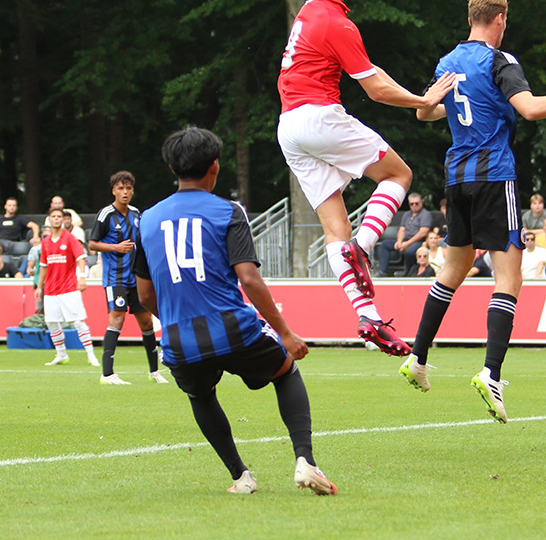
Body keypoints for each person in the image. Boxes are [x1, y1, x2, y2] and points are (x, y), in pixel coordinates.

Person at [400, 0, 546, 423]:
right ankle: (491, 373)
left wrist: (464, 109)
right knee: (509, 278)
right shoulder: (501, 61)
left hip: (456, 178)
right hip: (495, 176)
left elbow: (424, 113)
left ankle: (417, 358)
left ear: (469, 19)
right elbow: (531, 109)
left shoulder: (449, 62)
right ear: (499, 18)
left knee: (453, 271)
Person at [276, 0, 455, 356]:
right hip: (319, 116)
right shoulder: (337, 22)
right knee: (399, 173)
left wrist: (416, 93)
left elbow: (370, 70)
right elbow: (374, 89)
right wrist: (424, 99)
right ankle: (365, 246)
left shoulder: (310, 11)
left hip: (288, 127)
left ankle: (369, 318)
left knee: (334, 227)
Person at [134, 127, 336, 496]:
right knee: (285, 370)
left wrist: (178, 318)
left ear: (170, 167)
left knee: (201, 395)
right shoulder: (228, 211)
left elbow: (144, 294)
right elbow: (249, 278)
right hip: (232, 327)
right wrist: (286, 333)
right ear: (215, 167)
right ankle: (305, 461)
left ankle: (240, 477)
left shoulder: (146, 219)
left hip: (179, 337)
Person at [89, 171, 166, 385]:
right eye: (121, 188)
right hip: (115, 278)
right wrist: (116, 247)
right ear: (113, 191)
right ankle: (107, 374)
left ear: (132, 191)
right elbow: (92, 244)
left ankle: (154, 372)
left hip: (136, 278)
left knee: (146, 321)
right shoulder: (105, 214)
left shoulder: (135, 213)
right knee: (117, 318)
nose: (125, 192)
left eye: (128, 188)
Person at [36, 207, 100, 367]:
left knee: (78, 321)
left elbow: (81, 257)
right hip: (50, 289)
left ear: (63, 220)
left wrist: (82, 278)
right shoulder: (45, 242)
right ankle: (61, 354)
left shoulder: (70, 238)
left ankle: (91, 356)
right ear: (49, 220)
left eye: (59, 217)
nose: (57, 219)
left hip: (69, 288)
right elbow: (43, 266)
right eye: (54, 216)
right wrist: (39, 287)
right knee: (51, 322)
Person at [377, 193, 433, 276]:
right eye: (411, 204)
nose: (414, 205)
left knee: (409, 252)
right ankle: (382, 271)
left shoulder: (426, 214)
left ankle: (408, 273)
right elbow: (402, 229)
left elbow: (423, 233)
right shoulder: (406, 214)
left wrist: (407, 244)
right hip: (405, 240)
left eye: (416, 203)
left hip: (419, 241)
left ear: (421, 203)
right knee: (385, 244)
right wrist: (399, 242)